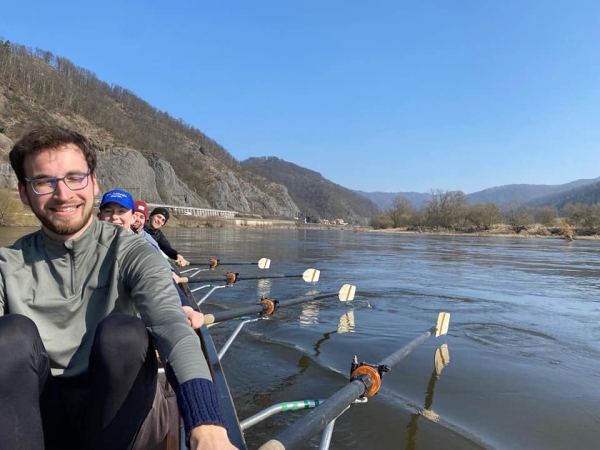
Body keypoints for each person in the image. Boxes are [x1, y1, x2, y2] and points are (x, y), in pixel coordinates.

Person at [0, 125, 235, 450]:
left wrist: (208, 429)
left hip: (119, 414)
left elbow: (171, 327)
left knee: (124, 333)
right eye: (43, 182)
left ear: (94, 183)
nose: (63, 194)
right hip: (36, 414)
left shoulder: (134, 251)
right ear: (24, 193)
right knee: (10, 334)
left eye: (74, 178)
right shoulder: (5, 264)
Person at [98, 190, 203, 329]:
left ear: (131, 218)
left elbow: (159, 265)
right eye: (108, 211)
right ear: (99, 216)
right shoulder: (87, 244)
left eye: (121, 211)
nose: (115, 217)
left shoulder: (142, 246)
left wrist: (185, 306)